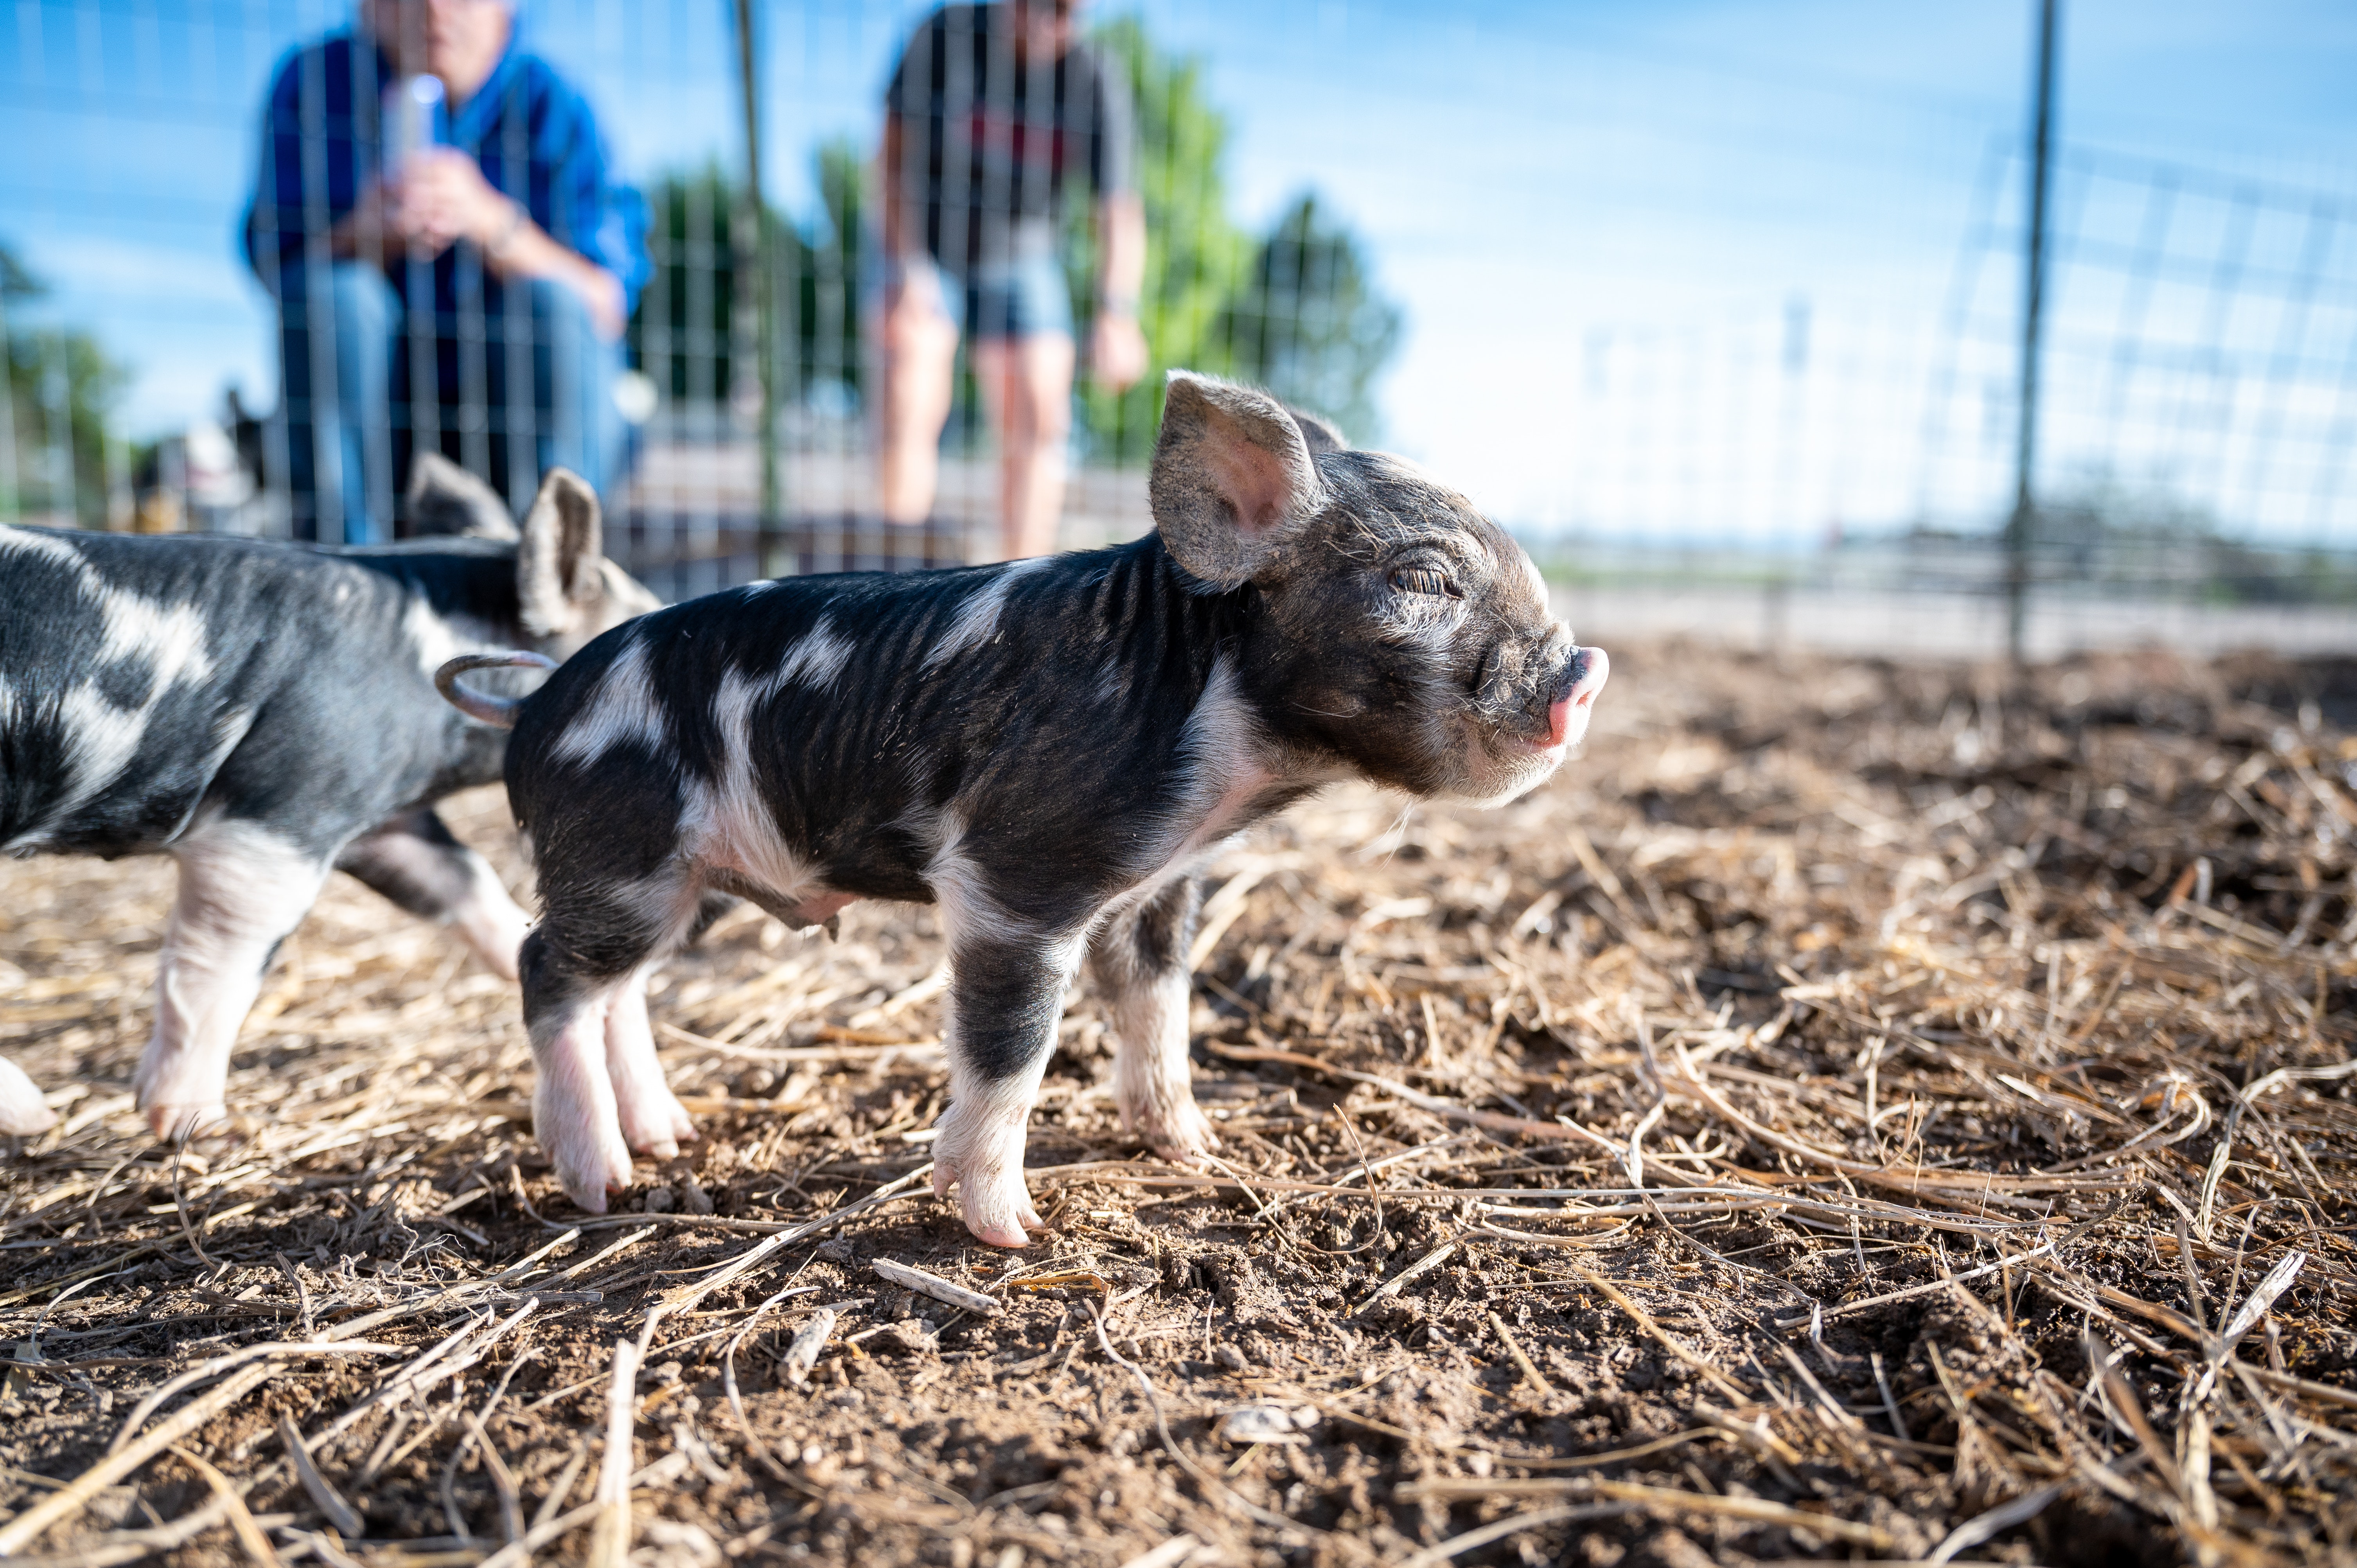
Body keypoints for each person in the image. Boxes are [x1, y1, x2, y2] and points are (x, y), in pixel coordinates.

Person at [244, 0, 648, 543]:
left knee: (551, 303)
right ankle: (344, 574)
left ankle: (546, 574)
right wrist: (362, 233)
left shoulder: (558, 105)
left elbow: (605, 302)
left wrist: (494, 224)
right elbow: (278, 271)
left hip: (521, 421)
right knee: (334, 297)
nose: (433, 10)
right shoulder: (313, 87)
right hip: (377, 423)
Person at [876, 0, 1148, 561]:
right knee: (911, 371)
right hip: (923, 238)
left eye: (1067, 10)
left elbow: (1118, 212)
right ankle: (893, 577)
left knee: (1042, 405)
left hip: (1022, 250)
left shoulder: (1093, 75)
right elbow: (889, 161)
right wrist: (907, 271)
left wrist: (1115, 312)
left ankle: (1022, 591)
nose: (1049, 18)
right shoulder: (945, 34)